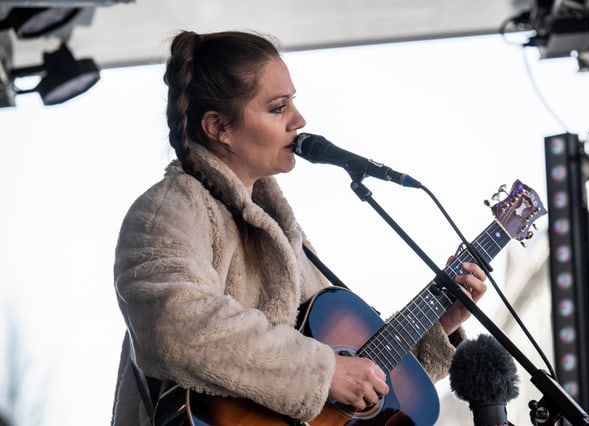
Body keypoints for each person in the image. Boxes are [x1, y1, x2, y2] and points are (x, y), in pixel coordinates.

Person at [110, 30, 488, 425]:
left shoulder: (284, 231)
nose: (300, 120)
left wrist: (436, 327)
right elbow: (176, 325)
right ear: (218, 127)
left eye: (294, 103)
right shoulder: (169, 210)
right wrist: (322, 373)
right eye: (278, 108)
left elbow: (356, 378)